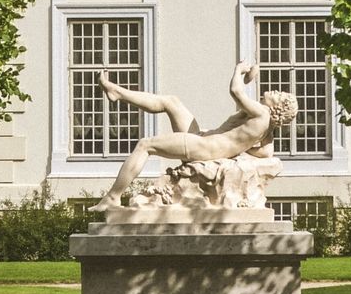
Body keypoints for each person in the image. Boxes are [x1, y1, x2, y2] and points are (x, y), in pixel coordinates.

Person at [90, 60, 297, 211]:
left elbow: (235, 91)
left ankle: (113, 196)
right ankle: (117, 92)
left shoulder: (261, 113)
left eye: (279, 95)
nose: (276, 90)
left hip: (203, 148)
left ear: (278, 109)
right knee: (171, 101)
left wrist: (238, 71)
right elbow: (265, 153)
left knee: (146, 145)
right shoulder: (264, 130)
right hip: (203, 138)